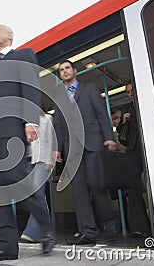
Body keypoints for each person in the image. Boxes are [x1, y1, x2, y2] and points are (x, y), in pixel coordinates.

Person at [0, 24, 54, 264]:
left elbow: (30, 86)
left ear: (10, 35)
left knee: (17, 182)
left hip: (11, 130)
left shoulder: (23, 54)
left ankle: (46, 226)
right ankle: (6, 246)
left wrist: (31, 121)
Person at [53, 60, 119, 245]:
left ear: (74, 71)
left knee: (96, 185)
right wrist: (57, 148)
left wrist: (109, 137)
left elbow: (101, 114)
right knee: (80, 191)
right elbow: (58, 125)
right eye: (61, 70)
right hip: (72, 150)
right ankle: (88, 232)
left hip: (92, 144)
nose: (65, 71)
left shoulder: (89, 89)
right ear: (60, 75)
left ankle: (110, 224)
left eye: (67, 68)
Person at [116, 83, 150, 235]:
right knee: (134, 187)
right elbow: (121, 134)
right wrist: (124, 121)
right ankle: (140, 226)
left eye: (132, 91)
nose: (130, 94)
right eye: (128, 92)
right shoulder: (126, 110)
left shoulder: (148, 102)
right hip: (133, 150)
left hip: (150, 146)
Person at [20, 112, 55, 243]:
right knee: (34, 196)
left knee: (37, 195)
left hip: (43, 160)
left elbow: (52, 139)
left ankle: (33, 232)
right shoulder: (26, 120)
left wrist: (50, 162)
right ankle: (44, 230)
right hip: (30, 161)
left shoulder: (47, 119)